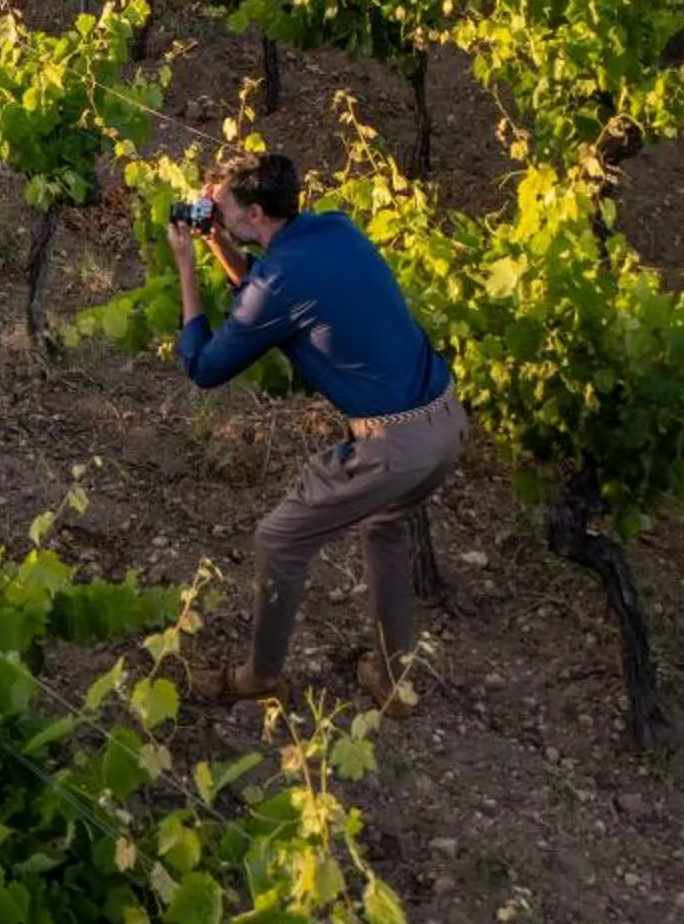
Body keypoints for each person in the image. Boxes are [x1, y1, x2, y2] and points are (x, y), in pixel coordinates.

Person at [168, 151, 464, 714]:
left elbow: (204, 368)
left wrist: (186, 264)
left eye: (224, 208)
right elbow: (264, 292)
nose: (215, 212)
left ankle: (260, 676)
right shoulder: (334, 228)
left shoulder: (279, 280)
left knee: (279, 540)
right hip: (445, 420)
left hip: (392, 444)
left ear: (256, 213)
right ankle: (395, 682)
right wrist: (215, 241)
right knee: (386, 531)